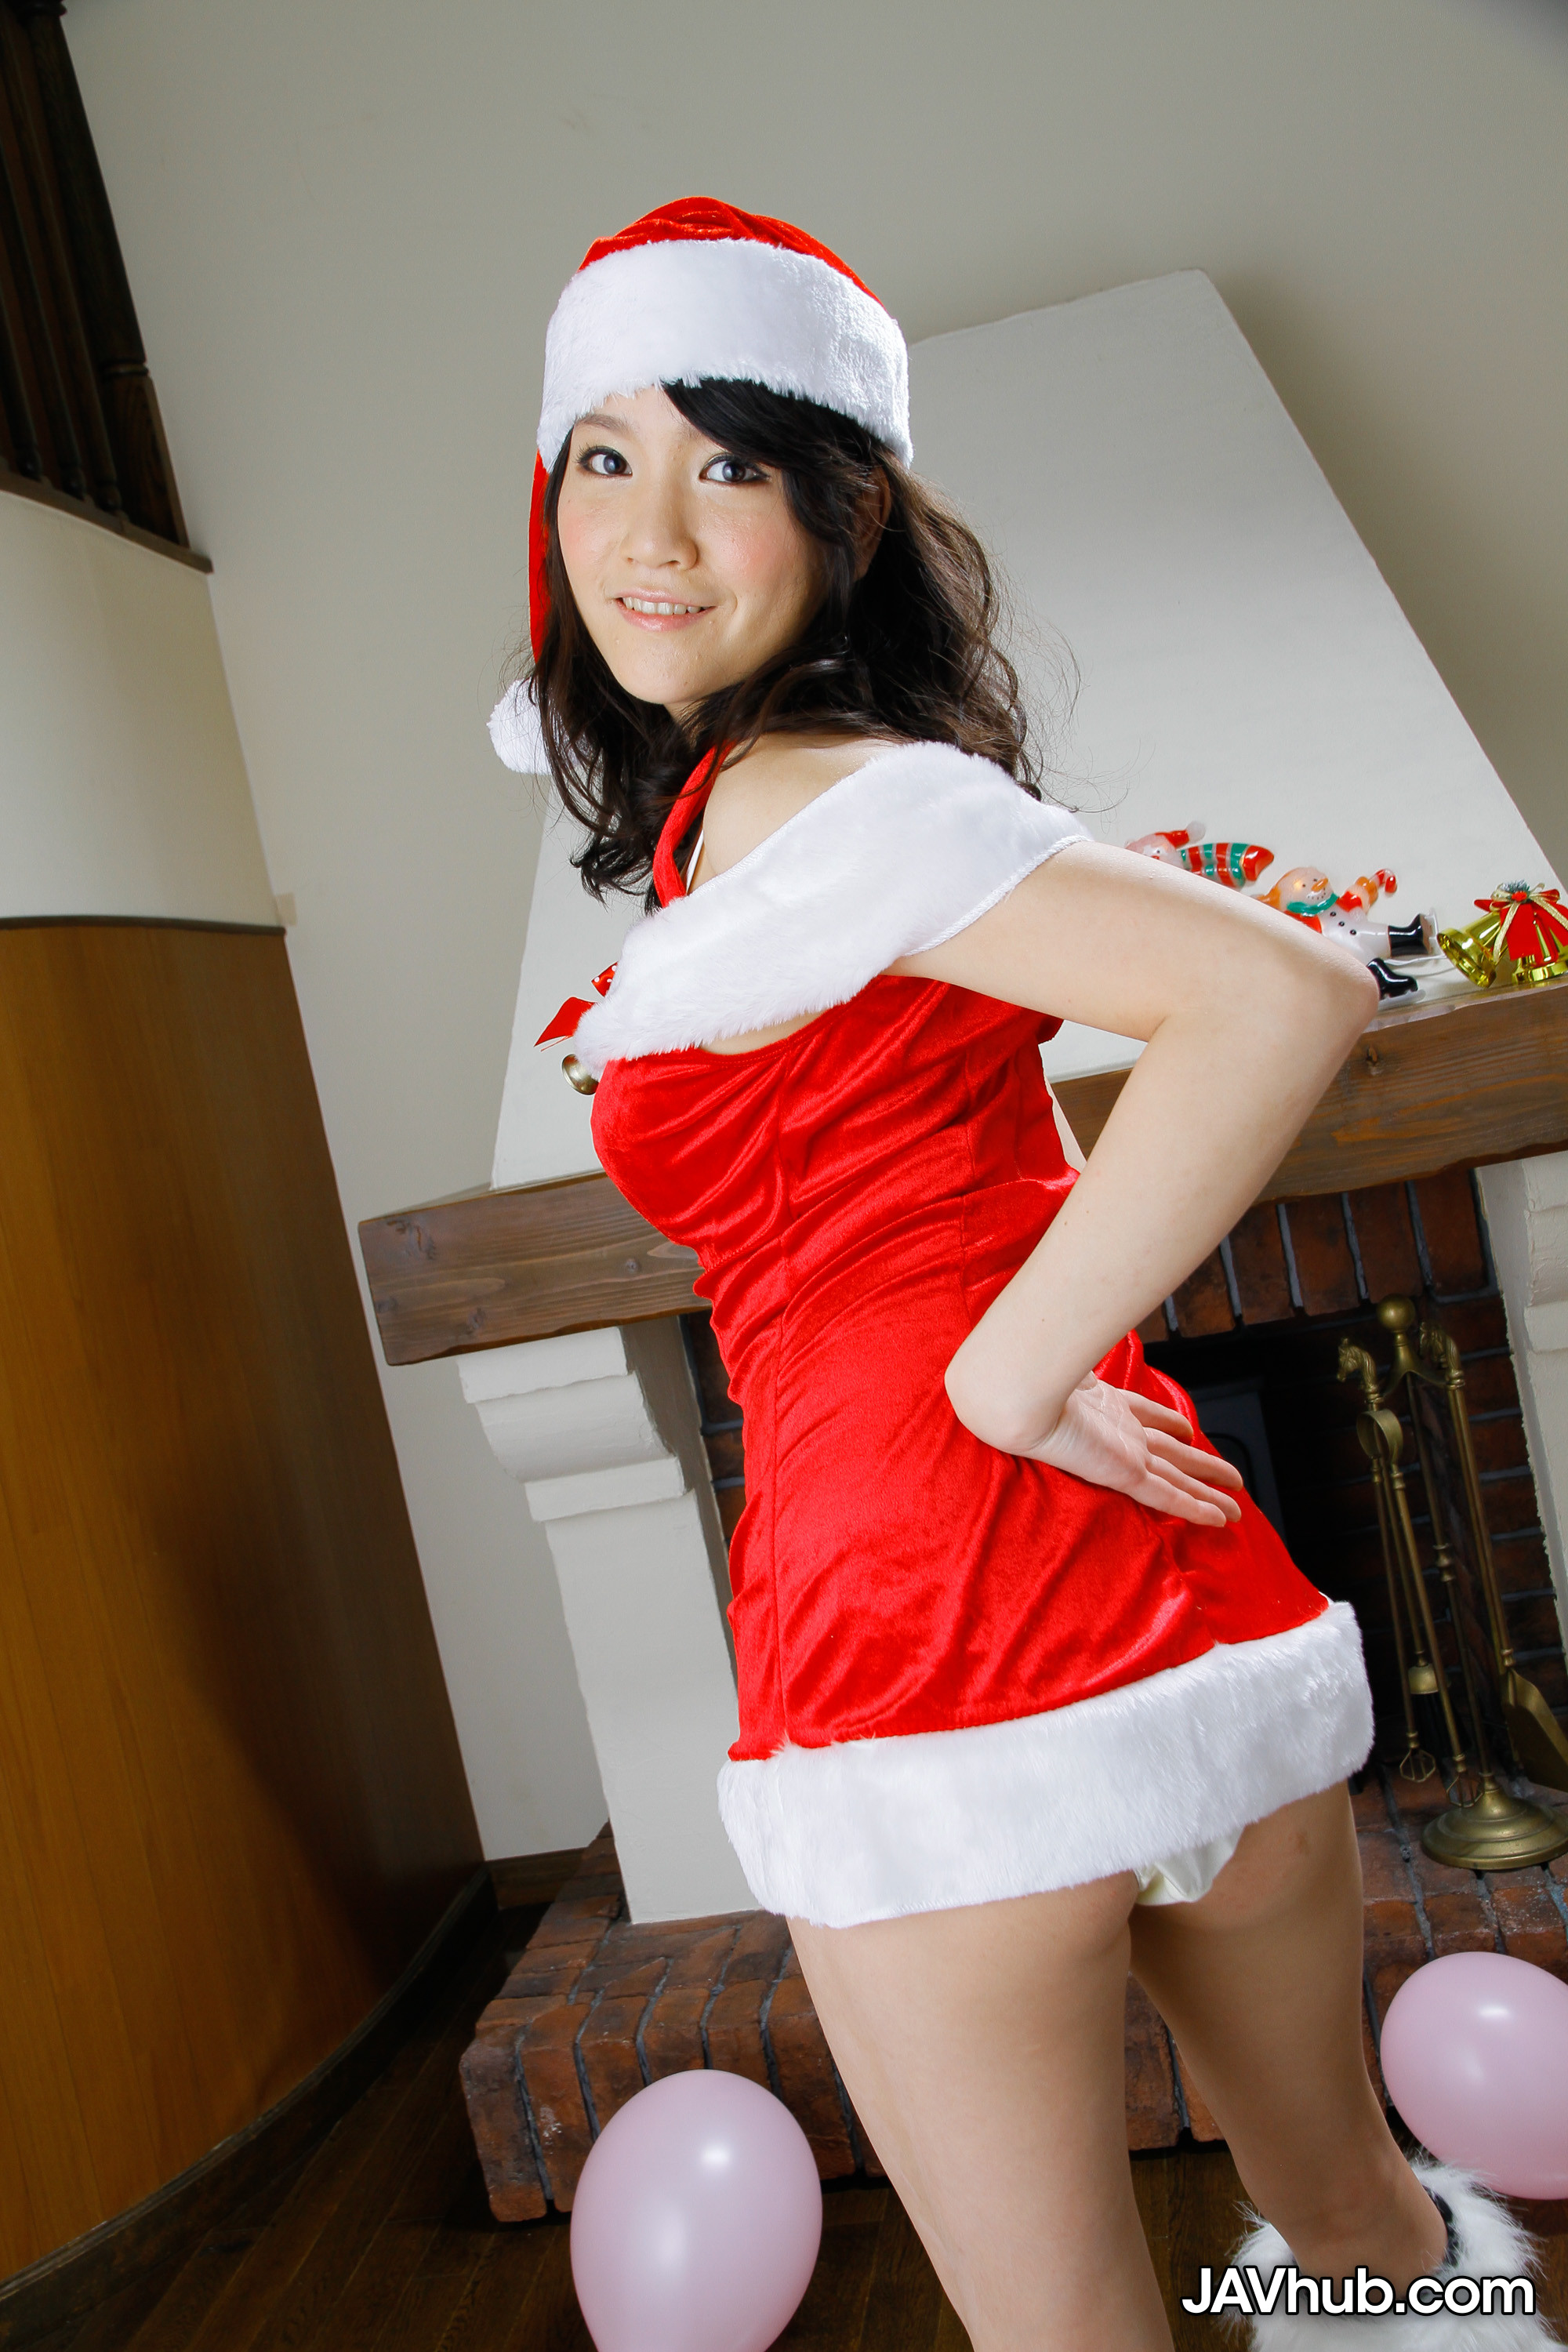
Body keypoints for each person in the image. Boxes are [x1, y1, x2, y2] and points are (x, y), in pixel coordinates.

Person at [489, 199, 1555, 2350]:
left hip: (922, 1646)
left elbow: (1279, 993)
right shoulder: (773, 817)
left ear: (847, 510)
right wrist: (1049, 1355)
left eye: (728, 461)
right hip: (1170, 1586)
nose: (651, 532)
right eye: (605, 456)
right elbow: (984, 1161)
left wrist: (994, 1379)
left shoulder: (818, 800)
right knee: (1360, 2231)